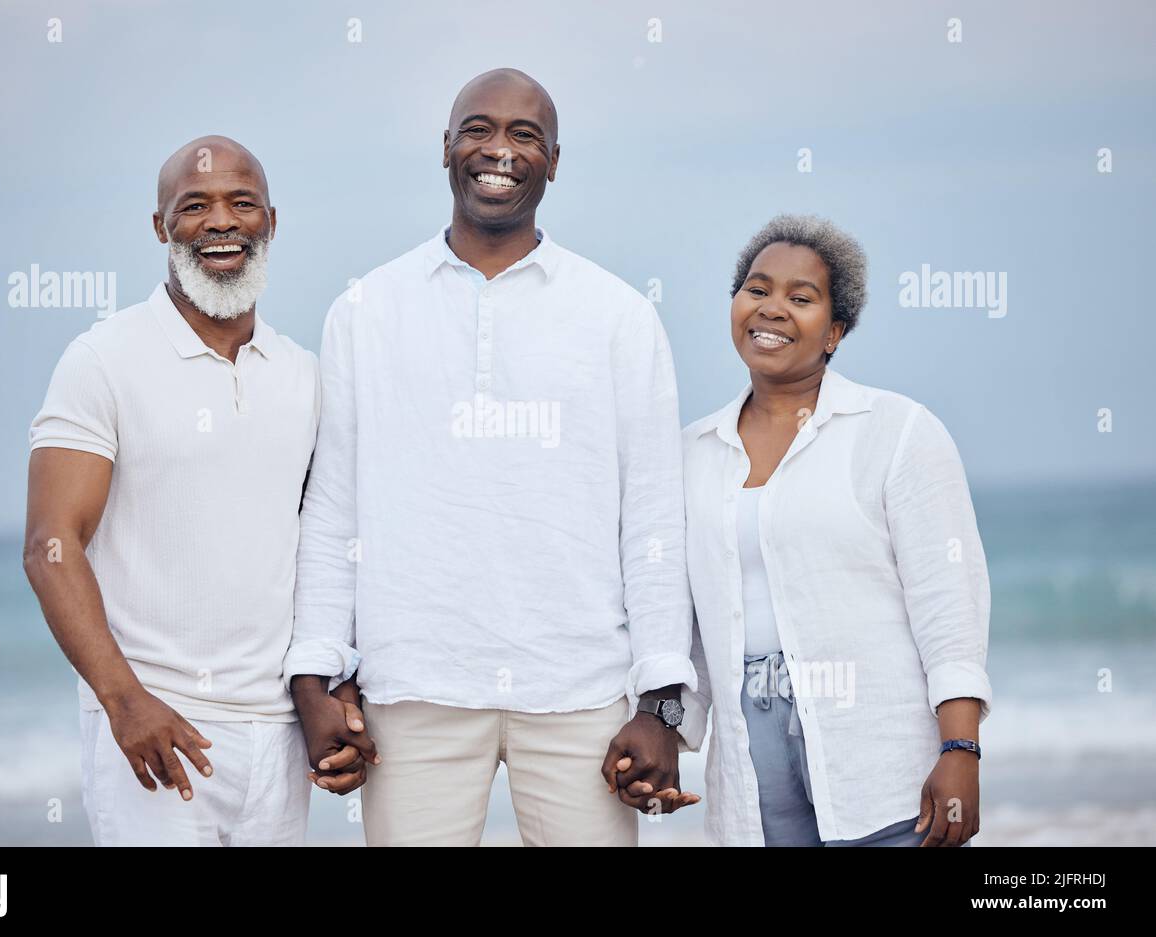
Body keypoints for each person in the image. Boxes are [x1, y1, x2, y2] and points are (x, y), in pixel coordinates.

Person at [286, 68, 700, 846]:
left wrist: (661, 704)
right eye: (478, 129)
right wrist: (313, 672)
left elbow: (653, 520)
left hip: (581, 691)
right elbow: (334, 508)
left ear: (553, 160)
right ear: (446, 148)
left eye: (524, 135)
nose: (498, 150)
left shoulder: (618, 316)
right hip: (413, 689)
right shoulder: (365, 310)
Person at [23, 136, 339, 846]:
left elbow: (326, 548)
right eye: (194, 206)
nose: (220, 221)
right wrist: (124, 700)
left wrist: (332, 689)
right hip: (155, 728)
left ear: (272, 221)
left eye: (241, 203)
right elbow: (50, 546)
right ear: (161, 225)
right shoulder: (102, 360)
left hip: (278, 736)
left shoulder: (303, 375)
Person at [680, 214, 992, 846]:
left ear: (835, 332)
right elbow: (691, 623)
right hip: (748, 749)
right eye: (757, 290)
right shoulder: (692, 453)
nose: (772, 310)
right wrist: (666, 724)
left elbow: (948, 601)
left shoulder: (896, 431)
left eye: (801, 298)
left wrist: (961, 748)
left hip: (874, 746)